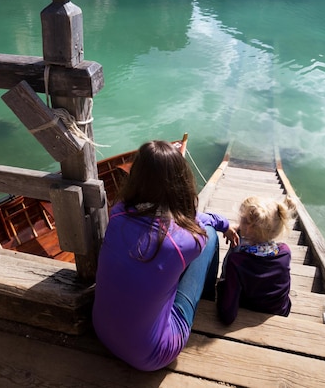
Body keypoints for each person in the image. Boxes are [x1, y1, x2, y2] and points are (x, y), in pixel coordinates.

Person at [92, 140, 238, 371]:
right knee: (208, 236)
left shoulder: (118, 213)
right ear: (181, 183)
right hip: (152, 355)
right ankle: (208, 297)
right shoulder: (185, 242)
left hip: (102, 331)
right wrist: (223, 224)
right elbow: (197, 224)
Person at [216, 194, 297, 325]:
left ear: (248, 228)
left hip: (249, 308)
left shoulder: (236, 261)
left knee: (232, 261)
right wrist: (242, 230)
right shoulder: (285, 252)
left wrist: (220, 288)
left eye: (242, 220)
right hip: (280, 311)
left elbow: (227, 315)